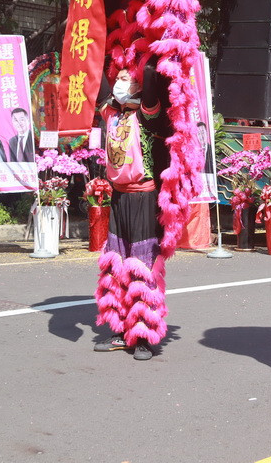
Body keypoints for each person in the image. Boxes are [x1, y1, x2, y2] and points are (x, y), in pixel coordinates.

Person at [94, 61, 173, 361]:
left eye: (127, 79)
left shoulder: (148, 112)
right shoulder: (111, 112)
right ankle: (118, 329)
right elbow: (96, 73)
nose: (119, 82)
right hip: (119, 198)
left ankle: (142, 336)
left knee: (142, 267)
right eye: (119, 78)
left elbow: (152, 74)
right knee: (115, 267)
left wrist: (142, 63)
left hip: (143, 197)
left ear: (139, 86)